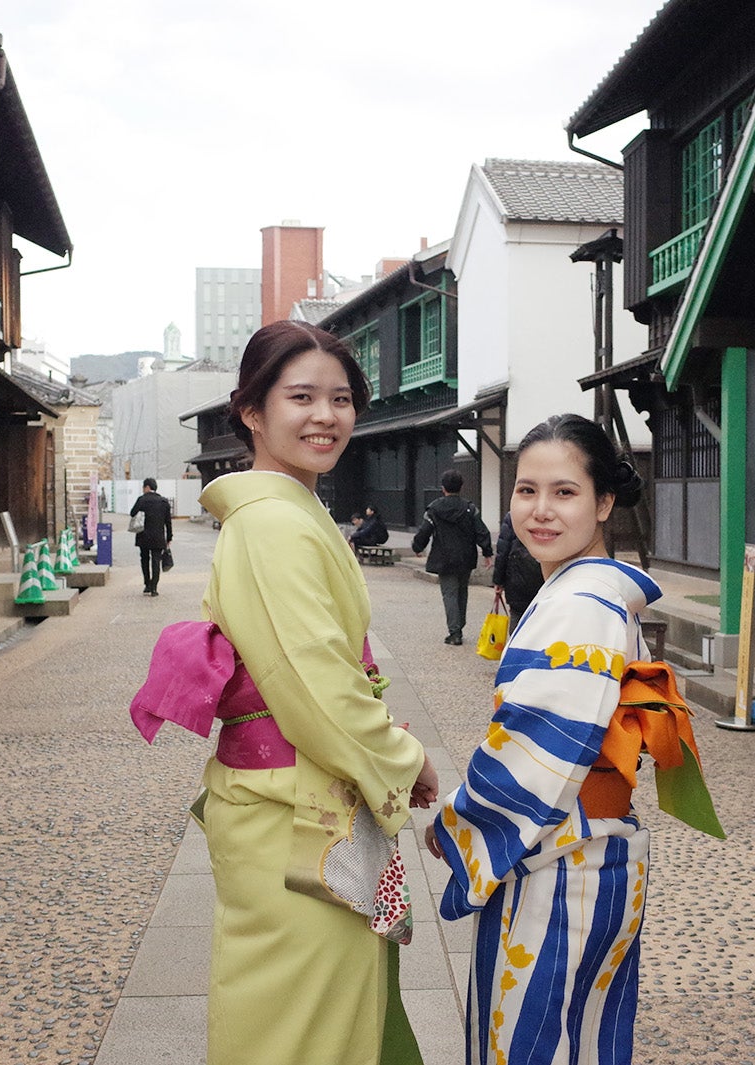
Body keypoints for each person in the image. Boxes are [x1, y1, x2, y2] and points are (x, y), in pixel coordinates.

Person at [197, 320, 439, 1065]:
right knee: (300, 1027)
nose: (325, 416)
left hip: (294, 795)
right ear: (252, 410)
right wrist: (405, 757)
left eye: (341, 398)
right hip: (293, 808)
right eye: (300, 396)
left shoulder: (287, 513)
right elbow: (317, 684)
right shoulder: (274, 522)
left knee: (314, 1017)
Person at [425, 414, 668, 1065]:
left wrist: (458, 823)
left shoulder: (578, 604)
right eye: (526, 490)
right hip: (600, 848)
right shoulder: (597, 593)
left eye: (564, 492)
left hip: (560, 857)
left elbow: (536, 748)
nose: (540, 510)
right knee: (587, 1038)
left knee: (526, 1045)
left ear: (604, 501)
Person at [411, 470, 492, 645]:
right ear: (461, 487)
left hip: (443, 558)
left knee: (449, 593)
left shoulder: (434, 509)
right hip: (466, 556)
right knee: (462, 591)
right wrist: (487, 552)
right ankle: (459, 626)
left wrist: (417, 547)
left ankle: (454, 632)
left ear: (443, 488)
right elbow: (481, 531)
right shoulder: (470, 509)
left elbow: (424, 530)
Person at [491, 511, 543, 621]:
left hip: (517, 579)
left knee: (517, 617)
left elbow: (503, 551)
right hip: (544, 580)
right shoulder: (552, 516)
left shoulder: (513, 516)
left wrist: (498, 581)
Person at [129, 477, 172, 596]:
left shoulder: (142, 500)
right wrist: (169, 537)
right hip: (158, 537)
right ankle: (154, 587)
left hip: (143, 536)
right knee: (156, 561)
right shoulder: (163, 501)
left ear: (147, 487)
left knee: (144, 559)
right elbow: (168, 522)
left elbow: (132, 513)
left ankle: (147, 584)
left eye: (143, 488)